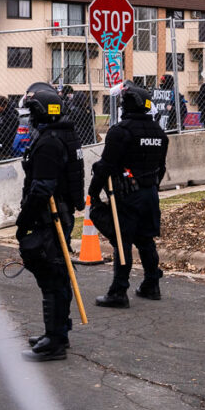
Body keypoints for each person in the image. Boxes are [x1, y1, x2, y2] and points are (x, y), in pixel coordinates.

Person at [15, 84, 84, 362]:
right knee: (57, 271)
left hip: (51, 217)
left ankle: (54, 341)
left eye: (32, 112)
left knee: (51, 275)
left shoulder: (48, 143)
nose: (29, 118)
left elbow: (42, 188)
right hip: (63, 215)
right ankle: (58, 330)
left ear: (41, 113)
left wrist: (23, 223)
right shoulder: (65, 135)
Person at [89, 85, 169, 308]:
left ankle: (118, 291)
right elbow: (161, 169)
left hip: (127, 195)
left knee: (122, 241)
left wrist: (92, 192)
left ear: (128, 105)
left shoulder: (120, 131)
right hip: (150, 194)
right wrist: (150, 187)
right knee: (145, 240)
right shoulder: (159, 133)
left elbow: (106, 165)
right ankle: (152, 284)